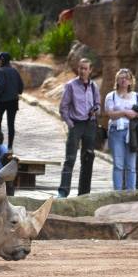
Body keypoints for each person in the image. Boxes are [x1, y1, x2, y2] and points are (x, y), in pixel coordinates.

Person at [58, 58, 101, 197]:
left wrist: (96, 109)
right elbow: (63, 108)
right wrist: (71, 124)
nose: (82, 71)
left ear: (90, 70)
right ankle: (63, 192)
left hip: (90, 124)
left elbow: (98, 104)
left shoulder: (94, 86)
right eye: (80, 68)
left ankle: (84, 193)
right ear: (78, 69)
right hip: (76, 124)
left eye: (85, 68)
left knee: (87, 159)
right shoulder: (70, 85)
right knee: (70, 159)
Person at [104, 68, 138, 190]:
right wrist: (125, 112)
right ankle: (117, 193)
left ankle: (130, 193)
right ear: (117, 80)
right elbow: (110, 114)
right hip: (116, 131)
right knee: (118, 164)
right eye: (121, 78)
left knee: (131, 165)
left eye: (126, 78)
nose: (123, 80)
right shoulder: (111, 96)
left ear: (131, 81)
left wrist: (135, 114)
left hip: (132, 133)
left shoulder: (137, 97)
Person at [0, 52, 23, 151]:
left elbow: (0, 87)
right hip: (13, 101)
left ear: (2, 60)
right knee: (11, 124)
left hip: (2, 101)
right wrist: (15, 91)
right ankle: (10, 147)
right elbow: (21, 87)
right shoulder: (14, 71)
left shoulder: (1, 71)